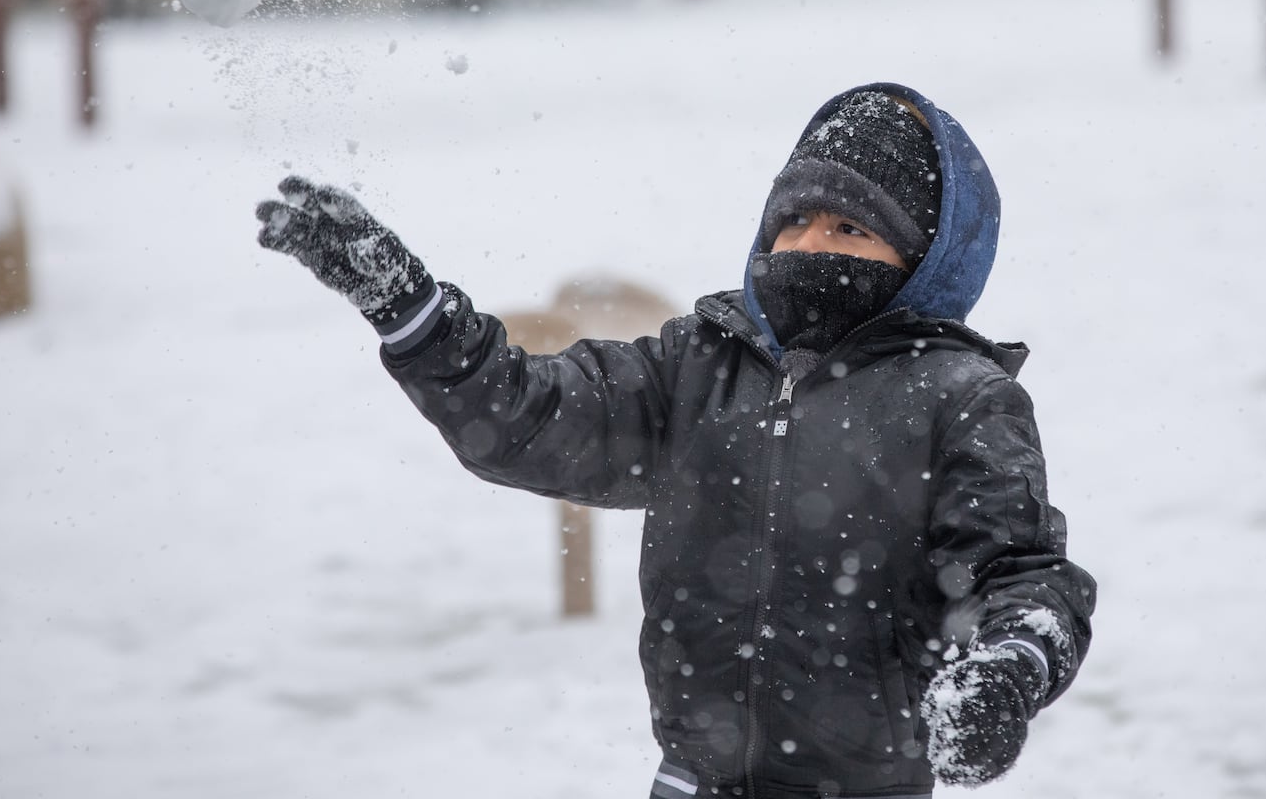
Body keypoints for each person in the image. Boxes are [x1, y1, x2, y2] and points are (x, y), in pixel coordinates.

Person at [255, 82, 1097, 798]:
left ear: (921, 257)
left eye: (849, 229)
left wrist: (1006, 669)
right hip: (691, 780)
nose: (808, 245)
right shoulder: (698, 366)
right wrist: (410, 310)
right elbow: (524, 419)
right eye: (794, 219)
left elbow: (1018, 576)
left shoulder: (958, 397)